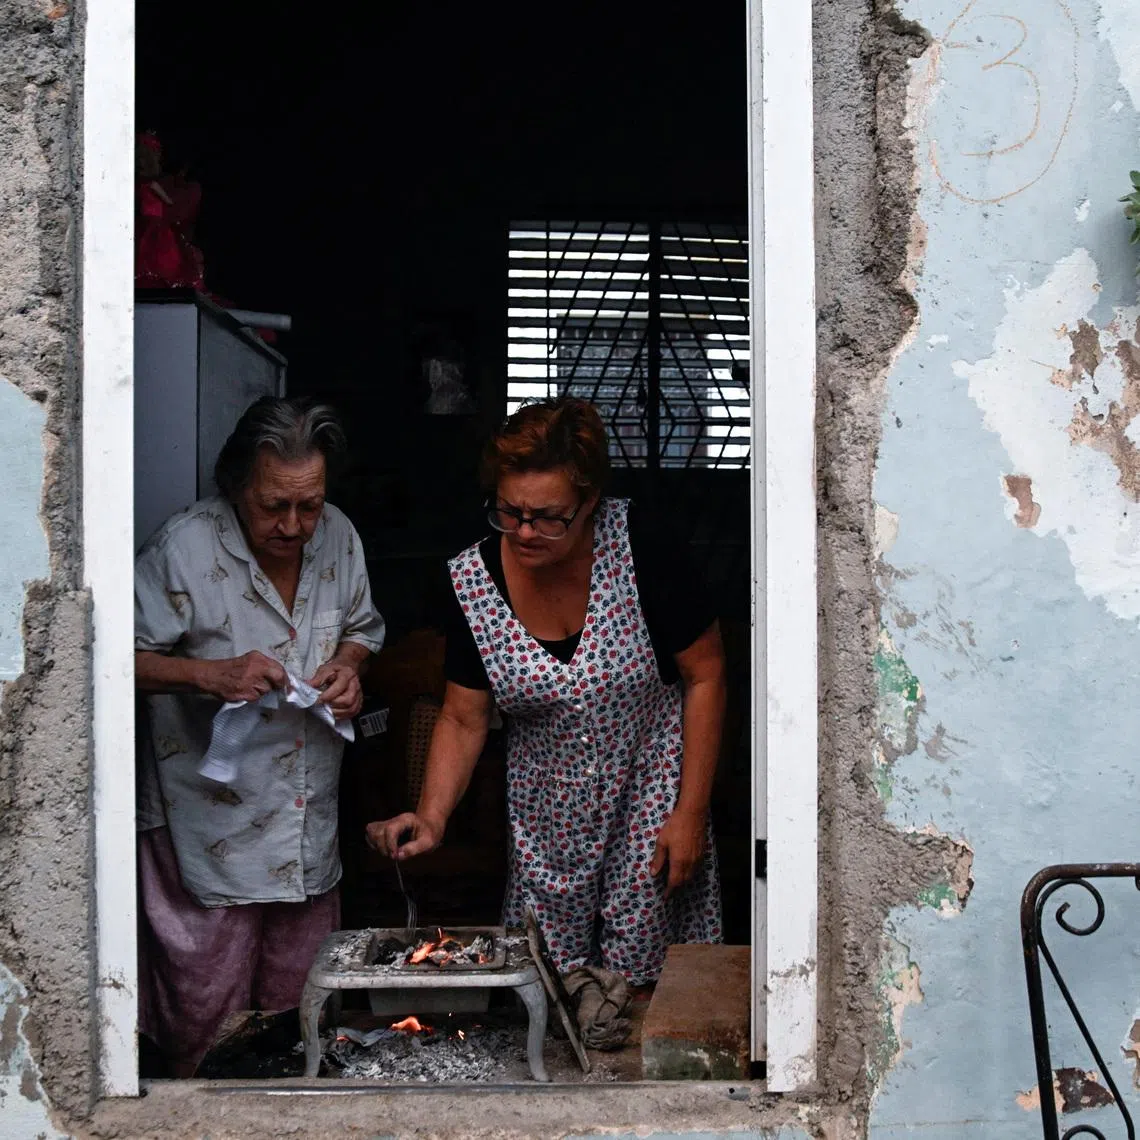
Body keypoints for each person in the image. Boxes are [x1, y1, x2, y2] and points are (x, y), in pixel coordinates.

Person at [367, 397, 723, 985]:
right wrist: (431, 818)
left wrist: (690, 811)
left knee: (642, 983)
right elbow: (462, 717)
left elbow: (706, 676)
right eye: (509, 512)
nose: (526, 532)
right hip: (546, 818)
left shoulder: (642, 546)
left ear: (589, 502)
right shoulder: (472, 580)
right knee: (547, 986)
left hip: (652, 794)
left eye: (549, 516)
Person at [134, 397, 385, 1075]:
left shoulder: (338, 535)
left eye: (310, 505)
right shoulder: (182, 548)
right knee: (204, 1008)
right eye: (275, 506)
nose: (296, 525)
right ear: (236, 485)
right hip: (206, 822)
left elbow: (362, 628)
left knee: (296, 1014)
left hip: (305, 817)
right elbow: (113, 661)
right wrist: (208, 675)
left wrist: (349, 667)